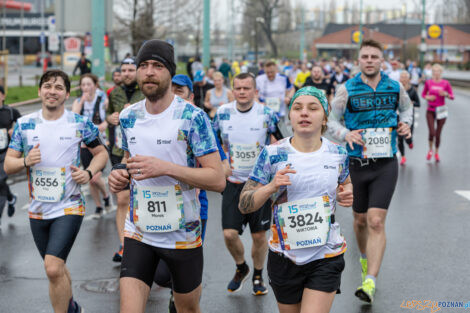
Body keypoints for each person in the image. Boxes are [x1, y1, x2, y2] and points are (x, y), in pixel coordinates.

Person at [107, 39, 225, 313]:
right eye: (143, 65)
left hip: (183, 234)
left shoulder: (193, 118)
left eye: (157, 66)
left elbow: (217, 179)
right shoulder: (128, 116)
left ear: (170, 73)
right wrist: (119, 175)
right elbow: (129, 162)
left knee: (187, 309)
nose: (149, 71)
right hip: (139, 232)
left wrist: (166, 168)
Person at [238, 86, 353, 313]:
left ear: (324, 117)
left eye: (313, 108)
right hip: (284, 255)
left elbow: (345, 183)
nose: (304, 113)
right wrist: (271, 186)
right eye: (297, 108)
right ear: (290, 116)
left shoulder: (337, 153)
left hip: (326, 253)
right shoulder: (273, 153)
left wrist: (346, 193)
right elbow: (244, 203)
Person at [4, 70, 108, 313]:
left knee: (52, 267)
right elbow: (9, 164)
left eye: (59, 87)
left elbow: (101, 153)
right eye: (48, 86)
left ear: (67, 94)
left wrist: (89, 173)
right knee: (57, 266)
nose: (52, 91)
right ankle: (72, 308)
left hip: (69, 206)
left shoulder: (79, 123)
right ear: (39, 91)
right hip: (38, 209)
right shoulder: (25, 125)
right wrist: (25, 161)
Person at [328, 39, 412, 303]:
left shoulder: (395, 86)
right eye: (365, 56)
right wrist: (344, 133)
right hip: (356, 164)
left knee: (376, 221)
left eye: (374, 56)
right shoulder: (347, 89)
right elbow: (331, 120)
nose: (369, 60)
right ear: (359, 60)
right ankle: (365, 260)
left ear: (381, 60)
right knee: (360, 220)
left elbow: (407, 110)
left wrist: (405, 125)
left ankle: (370, 281)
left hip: (386, 163)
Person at [154, 74, 230, 313]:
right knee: (159, 274)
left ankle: (183, 298)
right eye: (172, 90)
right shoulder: (153, 119)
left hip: (194, 210)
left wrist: (198, 176)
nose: (175, 95)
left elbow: (224, 166)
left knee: (185, 269)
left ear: (190, 96)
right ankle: (178, 291)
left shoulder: (198, 122)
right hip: (155, 208)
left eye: (181, 91)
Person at [212, 72, 283, 296]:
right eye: (238, 88)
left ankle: (258, 275)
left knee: (259, 236)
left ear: (255, 91)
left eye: (246, 88)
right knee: (229, 234)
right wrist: (221, 164)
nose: (242, 92)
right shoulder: (222, 114)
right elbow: (212, 145)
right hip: (233, 183)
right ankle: (242, 267)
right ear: (232, 90)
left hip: (259, 184)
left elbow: (280, 143)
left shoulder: (267, 114)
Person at [106, 57, 145, 262]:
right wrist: (110, 118)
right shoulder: (115, 92)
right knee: (122, 198)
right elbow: (107, 116)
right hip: (118, 148)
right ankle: (124, 245)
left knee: (139, 197)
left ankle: (144, 240)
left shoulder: (146, 91)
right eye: (124, 70)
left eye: (131, 69)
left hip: (141, 150)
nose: (127, 73)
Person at [72, 73, 111, 218]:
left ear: (95, 85)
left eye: (89, 84)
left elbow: (111, 115)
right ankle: (99, 206)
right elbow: (73, 118)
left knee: (95, 177)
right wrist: (81, 101)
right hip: (84, 145)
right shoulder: (78, 101)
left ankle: (106, 196)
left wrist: (103, 125)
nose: (86, 87)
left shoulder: (102, 99)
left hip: (100, 143)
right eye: (83, 85)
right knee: (90, 179)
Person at [421, 63, 454, 162]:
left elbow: (452, 96)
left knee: (438, 134)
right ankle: (430, 150)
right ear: (432, 73)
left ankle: (436, 152)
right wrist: (428, 97)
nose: (436, 74)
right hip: (430, 110)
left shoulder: (445, 83)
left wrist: (446, 94)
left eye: (438, 72)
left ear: (441, 73)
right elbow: (423, 94)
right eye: (434, 72)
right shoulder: (428, 83)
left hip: (441, 111)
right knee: (432, 132)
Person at [0, 85, 20, 226]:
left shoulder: (10, 111)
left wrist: (15, 130)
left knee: (0, 180)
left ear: (2, 96)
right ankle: (11, 198)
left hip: (6, 153)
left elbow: (23, 123)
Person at [398, 71, 420, 165]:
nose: (403, 79)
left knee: (407, 136)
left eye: (405, 77)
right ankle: (403, 157)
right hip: (399, 116)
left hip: (409, 116)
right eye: (401, 77)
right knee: (399, 138)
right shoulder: (396, 89)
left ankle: (410, 142)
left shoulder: (412, 90)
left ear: (408, 79)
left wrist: (412, 103)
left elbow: (418, 103)